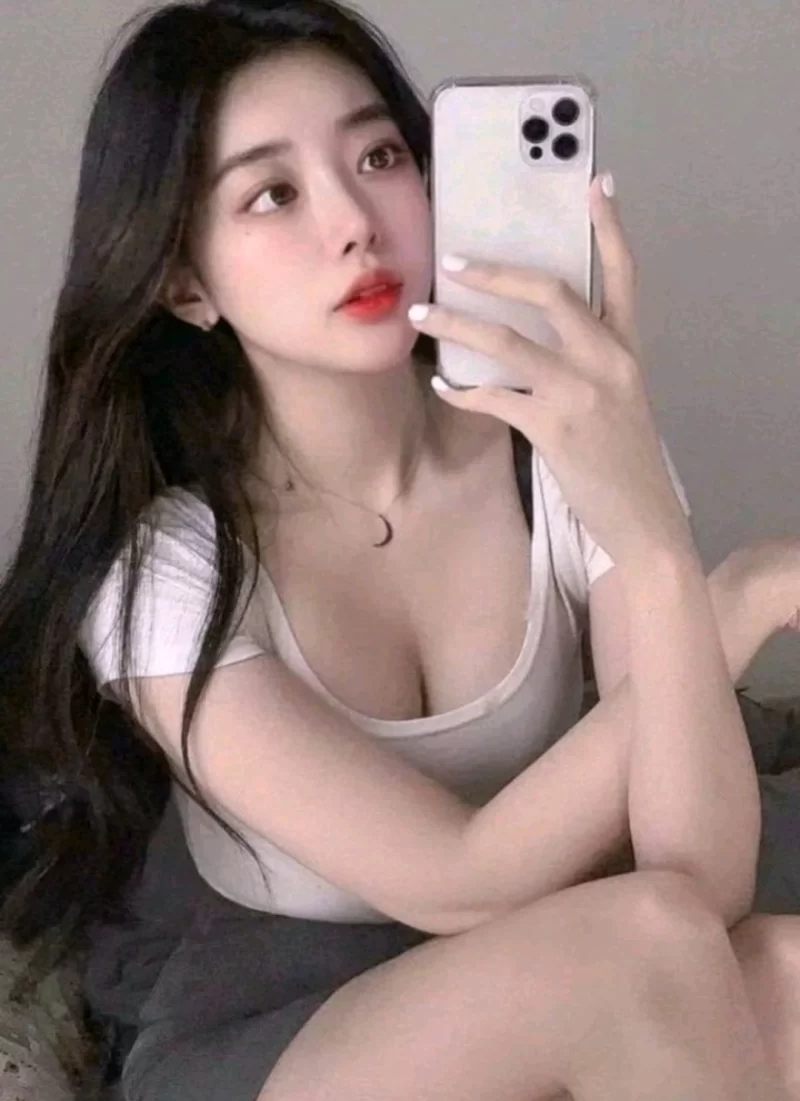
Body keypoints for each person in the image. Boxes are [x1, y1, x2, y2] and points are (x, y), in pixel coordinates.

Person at [1, 1, 799, 1099]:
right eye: (272, 192)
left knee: (775, 969)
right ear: (185, 283)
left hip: (587, 939)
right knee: (641, 947)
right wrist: (730, 609)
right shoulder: (165, 568)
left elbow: (698, 879)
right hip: (293, 1018)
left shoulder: (568, 447)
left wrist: (658, 553)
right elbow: (458, 878)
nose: (354, 224)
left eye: (378, 157)